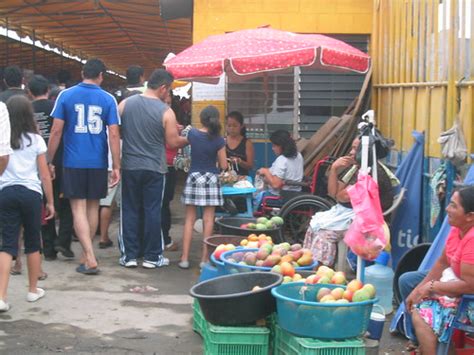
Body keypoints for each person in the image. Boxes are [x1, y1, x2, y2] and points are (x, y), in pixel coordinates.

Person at [47, 58, 121, 275]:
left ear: (82, 73)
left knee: (77, 208)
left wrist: (49, 159)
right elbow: (114, 134)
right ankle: (87, 255)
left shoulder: (66, 95)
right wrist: (116, 165)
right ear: (101, 76)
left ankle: (89, 256)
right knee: (92, 207)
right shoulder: (108, 99)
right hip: (97, 161)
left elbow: (56, 131)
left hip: (73, 161)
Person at [118, 69, 187, 269]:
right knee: (152, 211)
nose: (169, 95)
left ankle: (129, 256)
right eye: (169, 90)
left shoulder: (125, 104)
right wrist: (190, 138)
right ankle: (152, 257)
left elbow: (114, 130)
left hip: (130, 166)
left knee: (129, 210)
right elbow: (173, 142)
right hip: (155, 169)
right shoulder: (166, 112)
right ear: (163, 88)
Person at [399, 186, 474, 354]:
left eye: (454, 206)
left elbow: (470, 286)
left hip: (469, 299)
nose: (447, 208)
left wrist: (432, 287)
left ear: (470, 216)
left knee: (422, 313)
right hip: (455, 278)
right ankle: (419, 338)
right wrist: (419, 289)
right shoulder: (457, 229)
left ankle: (432, 339)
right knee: (408, 282)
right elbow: (442, 262)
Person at [302, 137, 395, 267]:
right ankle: (312, 265)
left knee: (324, 234)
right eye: (351, 148)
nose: (351, 152)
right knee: (314, 227)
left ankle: (323, 269)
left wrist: (341, 193)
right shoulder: (355, 169)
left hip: (365, 220)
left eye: (355, 149)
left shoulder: (371, 173)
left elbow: (341, 196)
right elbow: (333, 193)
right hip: (347, 212)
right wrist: (334, 168)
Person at [0, 96, 55, 312]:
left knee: (7, 244)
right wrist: (50, 201)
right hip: (31, 194)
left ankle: (1, 297)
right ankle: (33, 290)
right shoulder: (36, 140)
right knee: (33, 242)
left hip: (5, 193)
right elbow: (44, 175)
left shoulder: (3, 139)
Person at [179, 105, 228, 269]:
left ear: (201, 119)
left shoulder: (192, 134)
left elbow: (181, 143)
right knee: (208, 220)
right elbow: (223, 164)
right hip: (211, 179)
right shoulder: (219, 139)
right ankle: (204, 259)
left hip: (194, 177)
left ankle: (184, 259)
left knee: (189, 219)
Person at [254, 130, 304, 209]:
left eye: (274, 146)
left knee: (254, 198)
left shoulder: (282, 160)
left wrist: (265, 172)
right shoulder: (298, 155)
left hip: (281, 197)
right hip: (295, 194)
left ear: (282, 146)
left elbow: (276, 185)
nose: (272, 148)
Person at [225, 111, 254, 176]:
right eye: (229, 126)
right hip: (225, 178)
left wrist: (240, 162)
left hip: (242, 179)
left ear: (241, 126)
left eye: (235, 126)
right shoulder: (223, 141)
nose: (232, 128)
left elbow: (250, 166)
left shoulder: (247, 143)